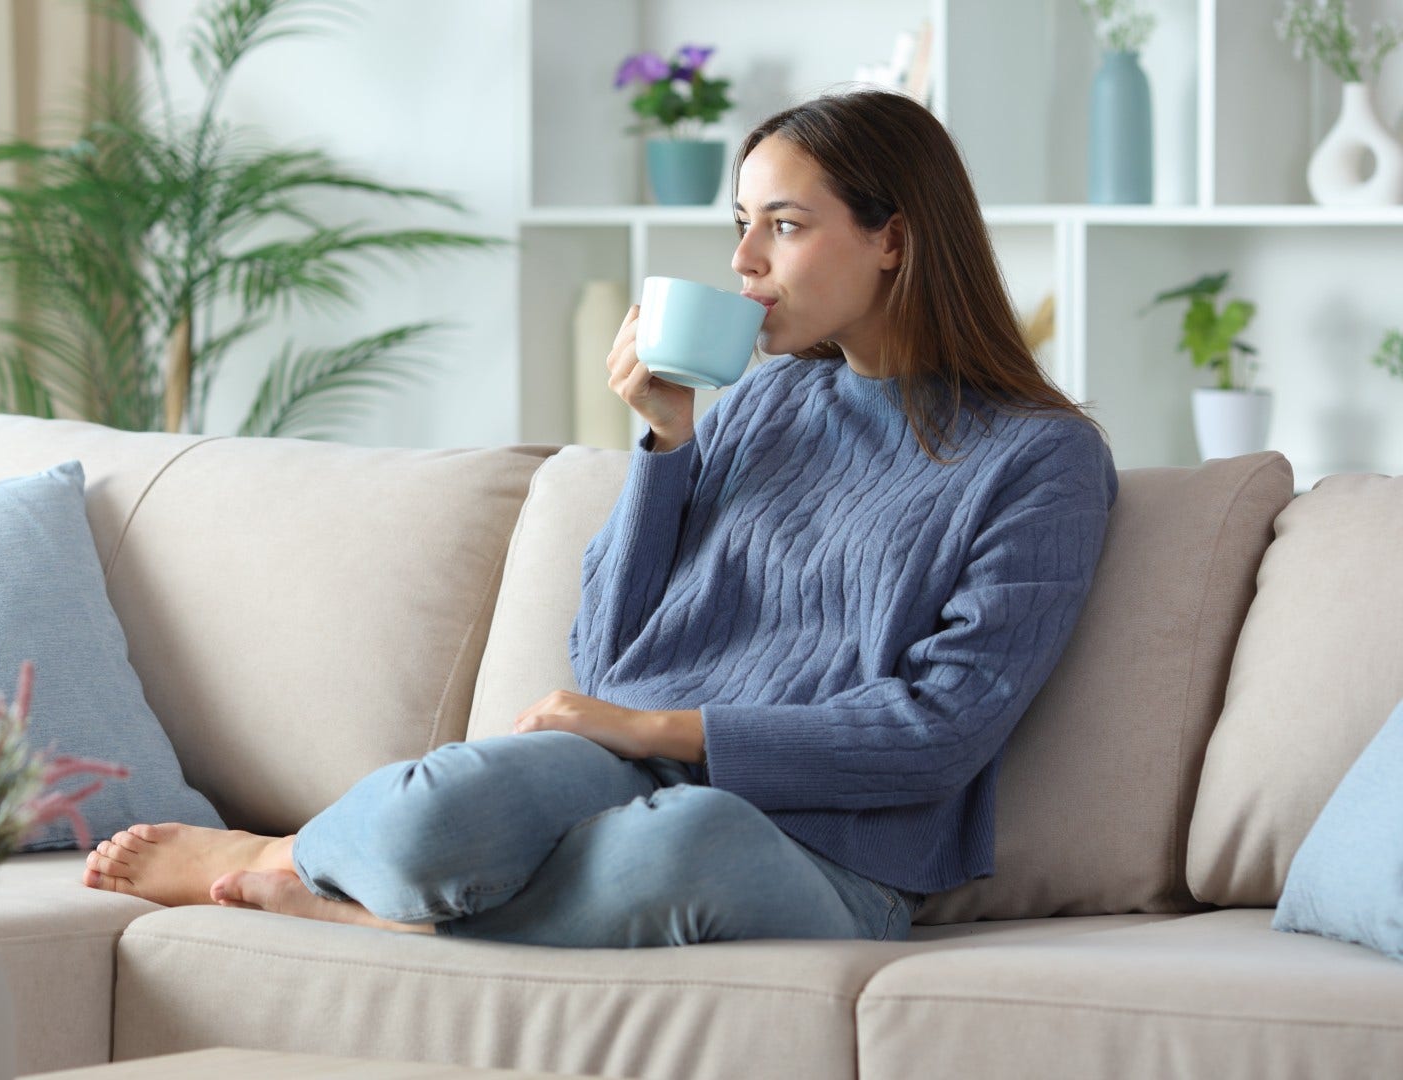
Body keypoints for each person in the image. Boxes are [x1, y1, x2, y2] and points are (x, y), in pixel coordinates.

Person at [80, 86, 1117, 949]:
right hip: (616, 767)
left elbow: (938, 734)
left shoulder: (1041, 457)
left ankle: (347, 903)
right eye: (740, 224)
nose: (745, 261)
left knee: (682, 844)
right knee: (446, 806)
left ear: (893, 240)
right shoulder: (763, 404)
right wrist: (667, 444)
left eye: (786, 226)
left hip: (837, 853)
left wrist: (654, 729)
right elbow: (611, 651)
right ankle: (301, 858)